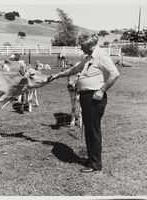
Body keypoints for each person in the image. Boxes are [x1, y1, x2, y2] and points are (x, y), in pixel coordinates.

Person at [48, 33, 120, 173]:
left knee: (93, 131)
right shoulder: (89, 58)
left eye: (82, 46)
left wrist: (101, 90)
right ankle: (92, 159)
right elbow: (75, 69)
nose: (80, 48)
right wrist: (58, 75)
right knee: (90, 130)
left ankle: (95, 164)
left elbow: (115, 73)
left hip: (94, 97)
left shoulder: (101, 56)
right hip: (87, 97)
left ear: (90, 44)